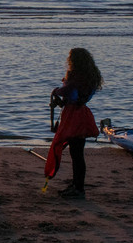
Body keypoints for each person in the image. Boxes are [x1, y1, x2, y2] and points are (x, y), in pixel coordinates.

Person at [44, 47, 103, 199]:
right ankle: (77, 185)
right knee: (77, 153)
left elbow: (67, 91)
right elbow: (76, 97)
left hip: (73, 117)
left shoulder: (74, 76)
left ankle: (78, 188)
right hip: (82, 114)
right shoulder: (91, 76)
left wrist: (56, 91)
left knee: (76, 154)